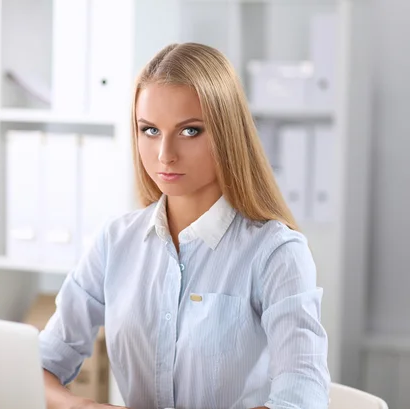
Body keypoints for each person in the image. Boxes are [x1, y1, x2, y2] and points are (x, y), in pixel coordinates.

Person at [39, 43, 330, 409]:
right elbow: (40, 366)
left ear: (227, 133)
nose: (165, 154)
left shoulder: (275, 252)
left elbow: (302, 397)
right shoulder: (116, 241)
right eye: (149, 130)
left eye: (190, 131)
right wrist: (77, 405)